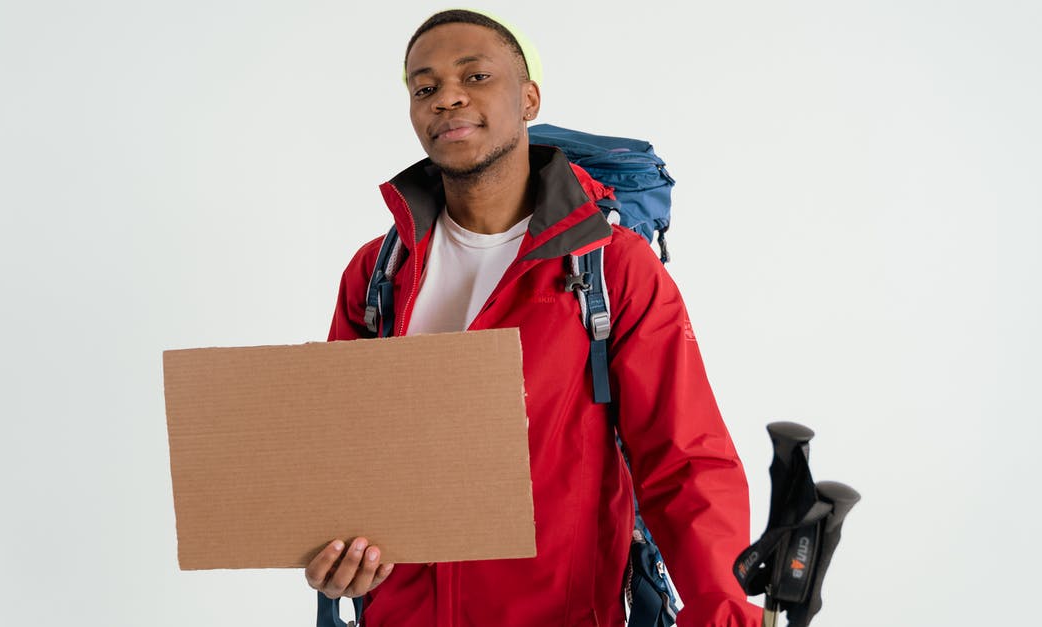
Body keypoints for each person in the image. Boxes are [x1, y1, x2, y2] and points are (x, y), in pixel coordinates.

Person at [304, 9, 760, 626]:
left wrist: (726, 614)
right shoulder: (378, 273)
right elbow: (340, 457)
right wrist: (331, 554)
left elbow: (684, 462)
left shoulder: (611, 267)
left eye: (477, 74)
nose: (448, 98)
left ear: (528, 99)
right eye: (424, 87)